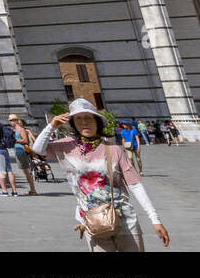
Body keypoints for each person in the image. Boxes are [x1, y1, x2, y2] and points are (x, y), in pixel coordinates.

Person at [32, 98, 169, 252]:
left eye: (88, 118)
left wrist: (155, 220)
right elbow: (38, 149)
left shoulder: (114, 149)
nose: (84, 122)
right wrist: (51, 126)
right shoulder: (66, 146)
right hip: (92, 222)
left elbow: (135, 185)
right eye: (78, 119)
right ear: (73, 124)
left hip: (125, 220)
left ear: (97, 121)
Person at [8, 114, 38, 195]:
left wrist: (15, 140)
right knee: (26, 172)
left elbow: (25, 141)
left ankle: (33, 190)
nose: (10, 122)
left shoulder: (21, 129)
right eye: (10, 120)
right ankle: (32, 189)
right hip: (17, 151)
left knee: (26, 172)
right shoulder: (14, 130)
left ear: (16, 121)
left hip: (22, 151)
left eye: (11, 120)